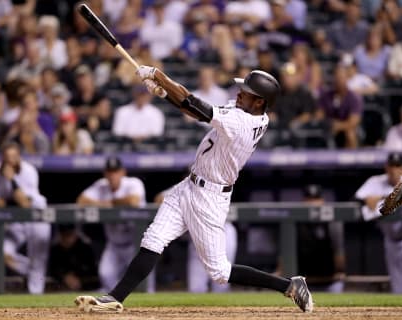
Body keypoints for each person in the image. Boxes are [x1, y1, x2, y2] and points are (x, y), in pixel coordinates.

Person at [75, 67, 313, 313]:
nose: (239, 93)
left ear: (260, 101)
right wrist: (164, 93)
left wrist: (159, 76)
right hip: (188, 186)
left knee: (220, 272)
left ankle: (289, 285)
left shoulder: (243, 122)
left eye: (246, 92)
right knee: (153, 239)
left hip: (209, 198)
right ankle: (115, 298)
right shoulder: (246, 111)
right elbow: (191, 108)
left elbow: (195, 106)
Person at [0, 142, 50, 294]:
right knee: (2, 253)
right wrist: (7, 201)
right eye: (7, 158)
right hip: (15, 219)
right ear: (2, 158)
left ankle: (36, 297)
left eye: (14, 157)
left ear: (19, 157)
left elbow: (24, 203)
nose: (10, 161)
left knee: (38, 257)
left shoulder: (28, 170)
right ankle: (35, 272)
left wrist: (12, 180)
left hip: (36, 215)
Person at [355, 152, 402, 294]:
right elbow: (357, 198)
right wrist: (370, 199)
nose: (395, 170)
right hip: (391, 240)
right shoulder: (375, 182)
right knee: (398, 289)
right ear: (386, 167)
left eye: (398, 166)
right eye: (392, 166)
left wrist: (381, 198)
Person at [76, 156, 151, 293]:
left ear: (123, 172)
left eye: (115, 171)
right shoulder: (101, 185)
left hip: (135, 244)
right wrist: (103, 204)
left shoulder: (133, 183)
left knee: (143, 283)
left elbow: (134, 201)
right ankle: (116, 304)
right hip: (114, 246)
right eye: (109, 172)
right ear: (105, 174)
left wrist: (110, 203)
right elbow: (81, 200)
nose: (112, 175)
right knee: (106, 275)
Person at [297, 184, 345, 293]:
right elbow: (286, 253)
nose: (313, 203)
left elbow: (339, 252)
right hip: (303, 283)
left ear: (322, 200)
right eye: (309, 199)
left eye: (316, 199)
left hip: (330, 282)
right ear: (303, 201)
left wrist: (340, 271)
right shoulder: (296, 223)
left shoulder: (332, 222)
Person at [48, 224, 99, 291]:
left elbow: (93, 271)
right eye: (63, 235)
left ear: (75, 234)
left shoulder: (85, 248)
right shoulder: (55, 250)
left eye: (69, 235)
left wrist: (79, 279)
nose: (66, 239)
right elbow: (52, 270)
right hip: (62, 286)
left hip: (86, 285)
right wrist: (64, 276)